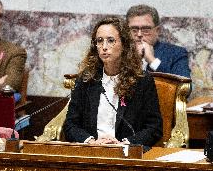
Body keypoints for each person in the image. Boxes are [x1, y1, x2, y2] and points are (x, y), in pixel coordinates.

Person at [63, 17, 163, 148]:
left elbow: (154, 127)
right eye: (99, 41)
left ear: (124, 44)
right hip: (92, 152)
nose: (104, 47)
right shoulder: (86, 79)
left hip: (126, 154)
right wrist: (91, 142)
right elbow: (70, 124)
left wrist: (125, 144)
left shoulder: (142, 81)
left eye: (111, 41)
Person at [126, 4, 191, 78]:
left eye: (146, 30)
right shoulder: (119, 52)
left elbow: (184, 87)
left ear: (157, 31)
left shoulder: (176, 53)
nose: (139, 34)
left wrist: (152, 61)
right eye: (134, 30)